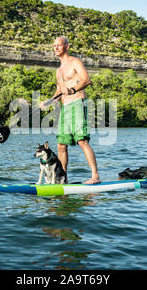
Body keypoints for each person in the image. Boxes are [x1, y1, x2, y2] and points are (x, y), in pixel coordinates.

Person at [40, 37, 101, 184]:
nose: (55, 48)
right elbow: (59, 91)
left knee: (82, 140)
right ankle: (63, 179)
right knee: (61, 145)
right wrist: (48, 102)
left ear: (66, 46)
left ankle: (95, 176)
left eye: (58, 45)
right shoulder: (59, 70)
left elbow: (86, 80)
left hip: (77, 103)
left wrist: (73, 89)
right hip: (65, 108)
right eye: (54, 46)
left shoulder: (74, 62)